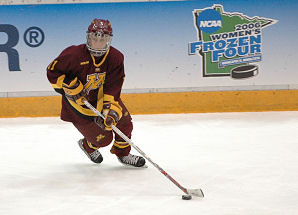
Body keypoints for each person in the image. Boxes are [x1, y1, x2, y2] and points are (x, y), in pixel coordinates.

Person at [46, 19, 146, 168]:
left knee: (124, 124)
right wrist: (67, 83)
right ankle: (88, 146)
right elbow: (52, 72)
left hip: (101, 98)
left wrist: (109, 109)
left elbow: (113, 85)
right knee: (103, 139)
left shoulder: (115, 57)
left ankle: (123, 154)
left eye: (102, 39)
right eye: (94, 38)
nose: (97, 43)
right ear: (88, 38)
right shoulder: (73, 54)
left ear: (109, 40)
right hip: (78, 105)